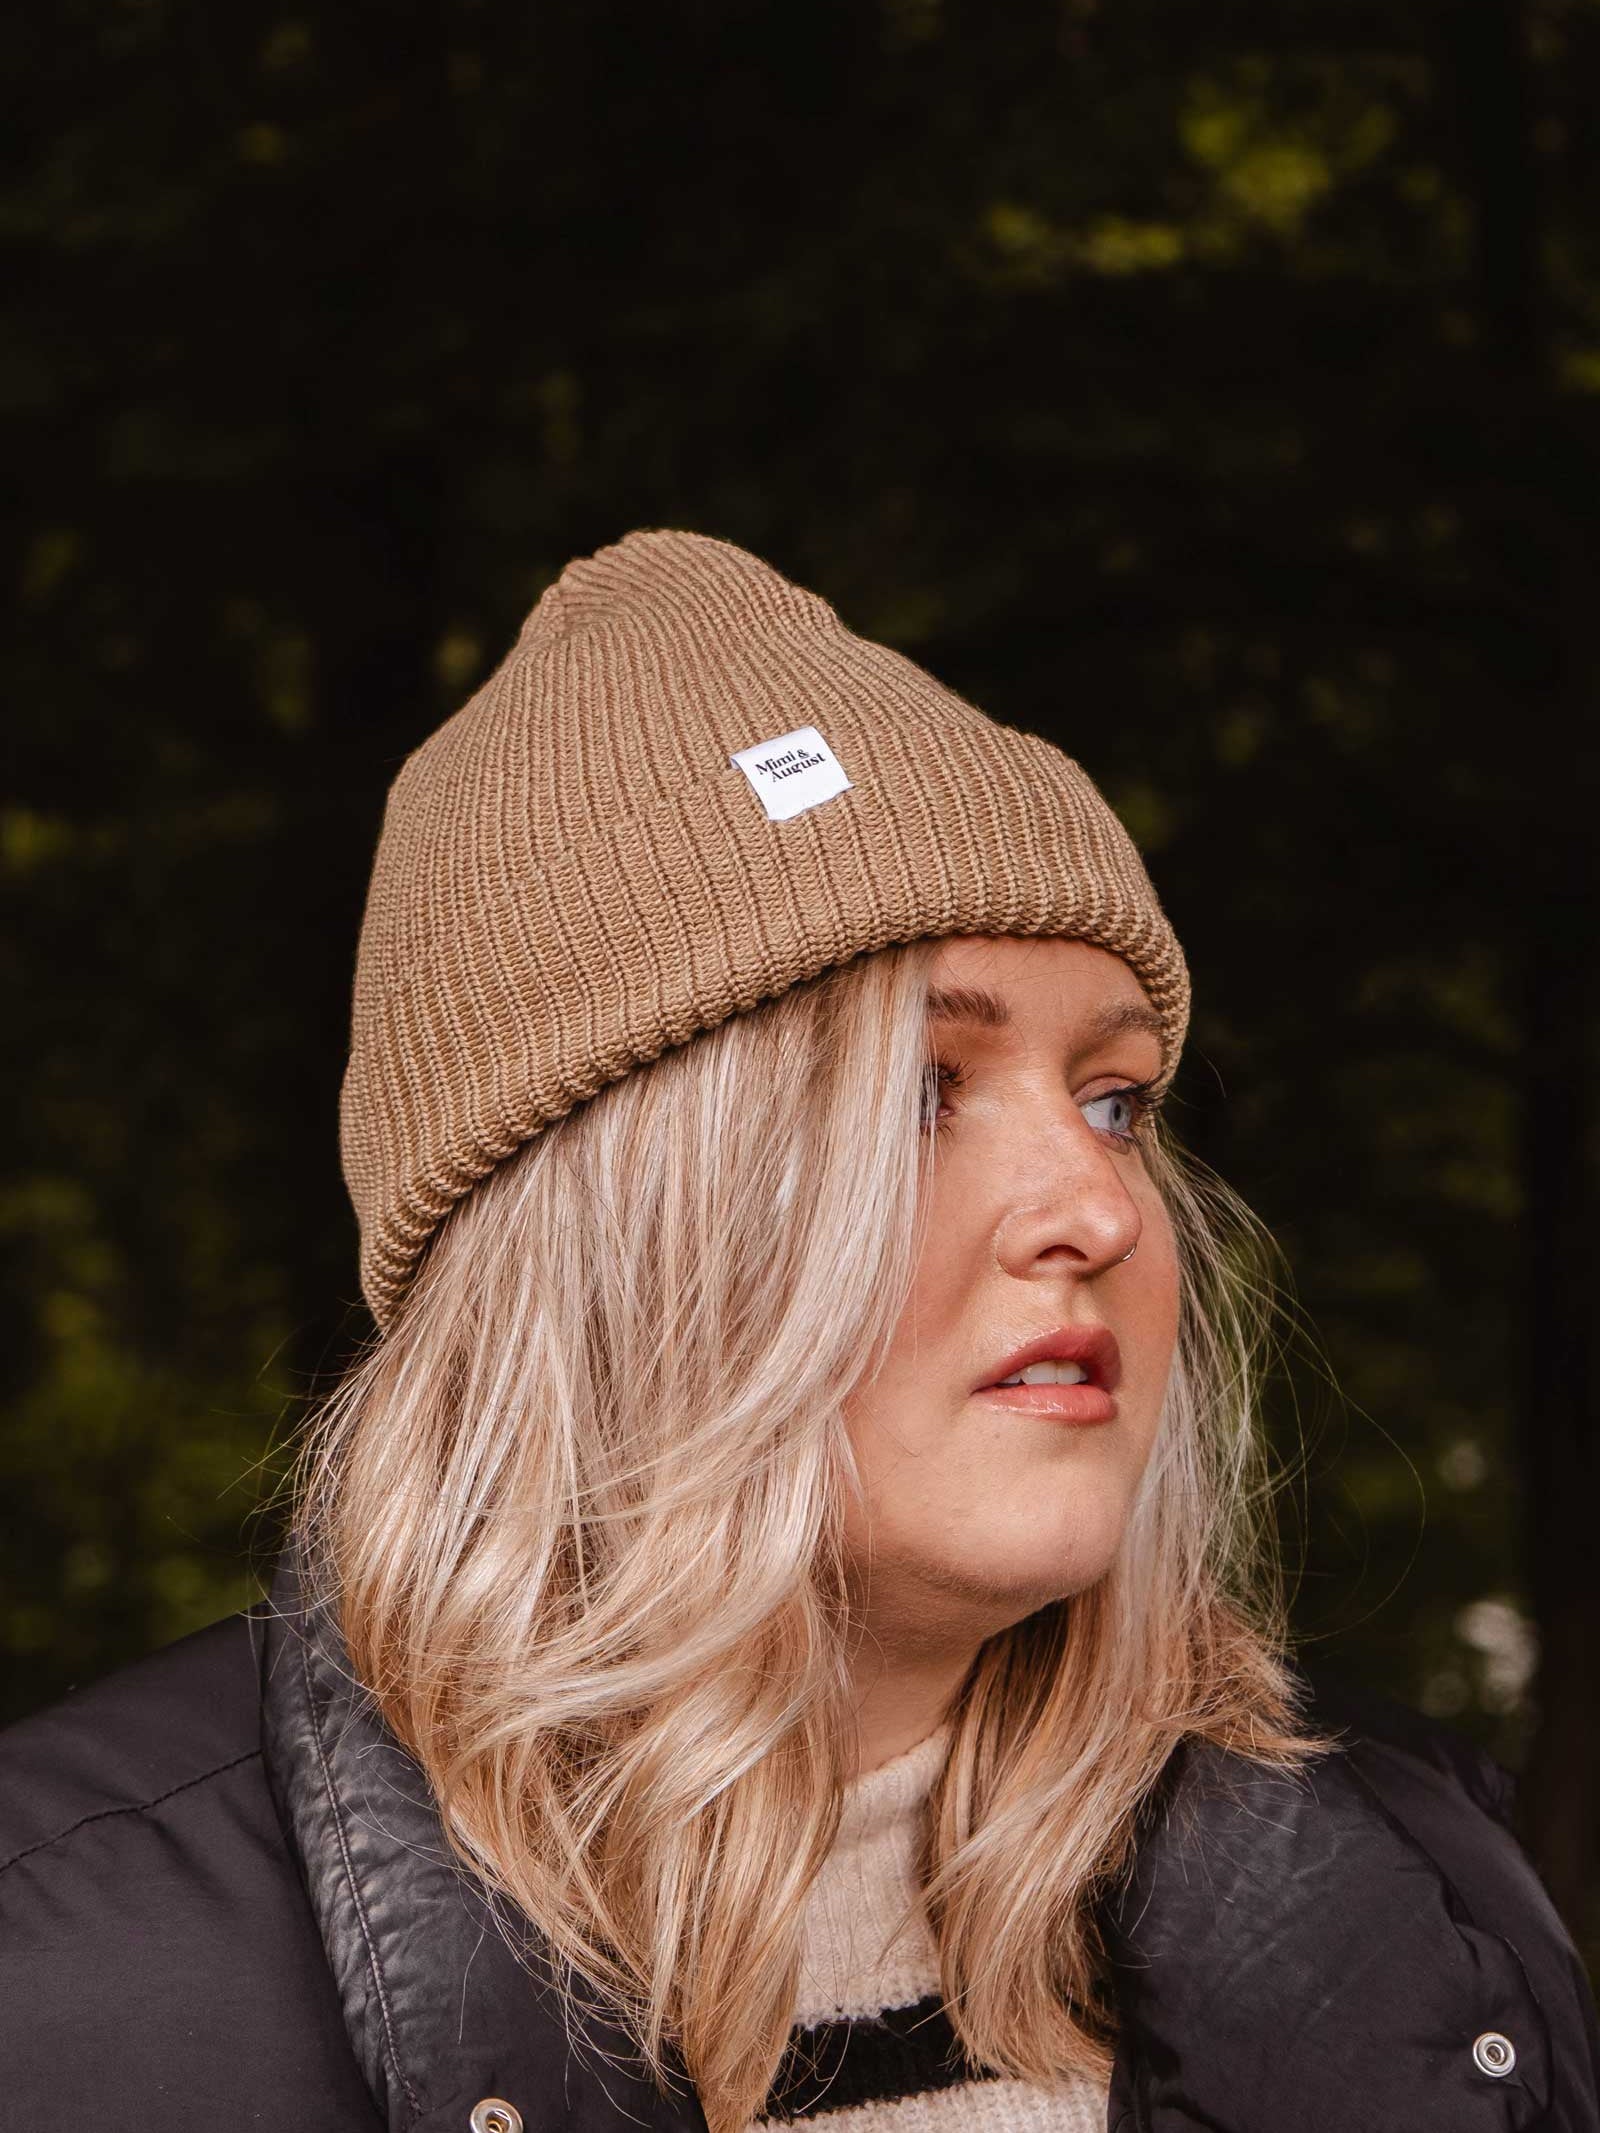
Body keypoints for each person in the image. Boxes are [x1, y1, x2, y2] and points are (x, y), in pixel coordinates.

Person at [2, 530, 1596, 2133]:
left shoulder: (1432, 1915)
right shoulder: (70, 1985)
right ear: (607, 1232)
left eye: (1117, 1102)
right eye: (918, 1093)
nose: (1099, 1212)